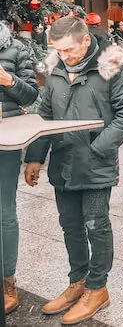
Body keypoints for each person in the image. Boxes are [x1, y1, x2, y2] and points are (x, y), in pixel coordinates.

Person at [24, 16, 123, 324]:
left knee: (95, 225)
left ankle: (97, 288)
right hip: (63, 161)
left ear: (86, 41)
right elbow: (45, 113)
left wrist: (98, 147)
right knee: (71, 226)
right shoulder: (55, 68)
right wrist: (35, 157)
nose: (64, 56)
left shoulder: (111, 67)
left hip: (95, 162)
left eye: (69, 50)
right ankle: (77, 281)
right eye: (58, 51)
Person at [0, 21, 39, 315]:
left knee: (4, 210)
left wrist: (8, 81)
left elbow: (30, 95)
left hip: (5, 140)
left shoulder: (15, 49)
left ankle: (7, 281)